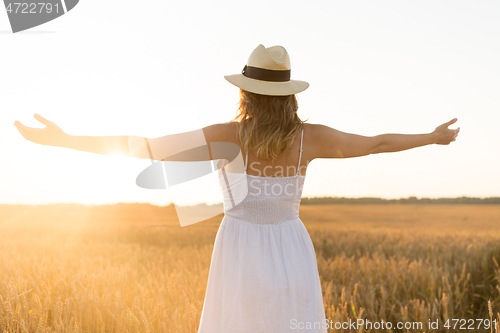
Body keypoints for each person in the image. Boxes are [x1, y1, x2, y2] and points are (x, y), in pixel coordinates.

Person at [14, 44, 460, 332]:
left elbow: (148, 148)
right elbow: (377, 143)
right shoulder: (311, 137)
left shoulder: (227, 135)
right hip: (290, 245)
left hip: (239, 246)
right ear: (288, 93)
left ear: (246, 92)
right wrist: (431, 136)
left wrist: (67, 140)